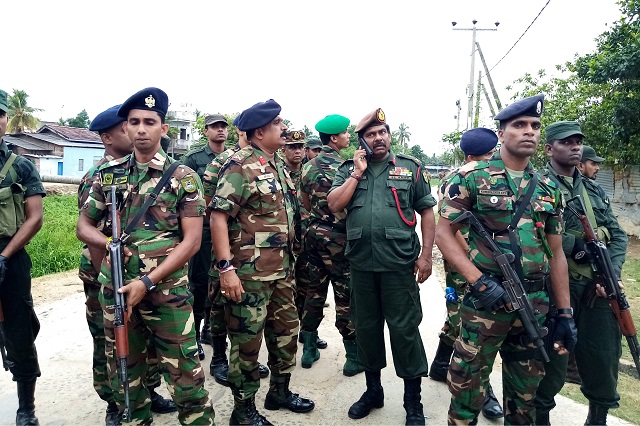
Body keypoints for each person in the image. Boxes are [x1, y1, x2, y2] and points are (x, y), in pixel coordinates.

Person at [435, 94, 578, 425]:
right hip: (486, 303)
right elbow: (444, 234)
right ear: (501, 133)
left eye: (535, 126)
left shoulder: (547, 187)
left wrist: (566, 312)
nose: (529, 131)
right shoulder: (471, 176)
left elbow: (555, 252)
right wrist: (478, 281)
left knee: (525, 398)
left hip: (535, 303)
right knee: (468, 392)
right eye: (520, 125)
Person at [76, 87, 214, 425]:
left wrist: (148, 280)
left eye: (149, 122)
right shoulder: (109, 175)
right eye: (134, 122)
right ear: (125, 128)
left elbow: (192, 242)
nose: (141, 129)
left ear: (163, 129)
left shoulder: (184, 178)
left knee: (186, 380)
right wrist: (110, 243)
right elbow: (84, 225)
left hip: (167, 294)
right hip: (119, 292)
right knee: (127, 380)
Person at [327, 108, 436, 425]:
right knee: (367, 330)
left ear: (389, 135)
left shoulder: (410, 168)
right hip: (361, 265)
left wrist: (426, 255)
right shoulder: (349, 169)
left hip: (399, 264)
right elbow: (335, 204)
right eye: (372, 134)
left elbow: (427, 212)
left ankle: (412, 403)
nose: (379, 138)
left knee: (404, 332)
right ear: (362, 141)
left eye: (383, 132)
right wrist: (356, 173)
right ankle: (373, 392)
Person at [210, 99, 314, 425]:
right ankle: (243, 412)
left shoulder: (277, 164)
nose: (283, 128)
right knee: (246, 345)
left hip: (282, 270)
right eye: (278, 124)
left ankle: (280, 391)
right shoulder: (240, 165)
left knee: (286, 335)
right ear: (260, 131)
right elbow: (218, 217)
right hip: (249, 275)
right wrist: (226, 269)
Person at [80, 105, 176, 424]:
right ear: (108, 137)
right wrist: (105, 277)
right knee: (109, 344)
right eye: (127, 126)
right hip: (105, 274)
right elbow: (92, 234)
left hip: (139, 275)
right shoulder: (99, 177)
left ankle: (145, 391)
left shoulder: (156, 172)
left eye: (146, 123)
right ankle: (114, 399)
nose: (135, 131)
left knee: (141, 341)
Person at [534, 121, 627, 425]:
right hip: (555, 284)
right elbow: (529, 231)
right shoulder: (536, 185)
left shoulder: (593, 190)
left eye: (578, 141)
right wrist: (573, 244)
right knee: (554, 356)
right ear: (549, 149)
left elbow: (617, 234)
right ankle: (542, 413)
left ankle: (597, 417)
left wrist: (609, 273)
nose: (575, 146)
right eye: (566, 142)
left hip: (597, 285)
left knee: (603, 352)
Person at [428, 128, 503, 420]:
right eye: (490, 155)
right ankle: (481, 390)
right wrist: (472, 262)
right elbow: (450, 227)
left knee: (458, 313)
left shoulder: (460, 174)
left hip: (468, 261)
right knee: (473, 322)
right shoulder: (464, 178)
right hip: (469, 262)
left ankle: (439, 364)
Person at [201, 115, 270, 387]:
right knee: (219, 306)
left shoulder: (263, 161)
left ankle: (244, 358)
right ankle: (218, 358)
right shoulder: (222, 163)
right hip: (225, 248)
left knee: (246, 313)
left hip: (252, 254)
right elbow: (208, 207)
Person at [297, 114, 363, 376]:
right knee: (345, 296)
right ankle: (352, 356)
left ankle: (308, 348)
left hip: (313, 234)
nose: (348, 137)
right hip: (339, 237)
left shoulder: (307, 166)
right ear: (334, 138)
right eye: (346, 133)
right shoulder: (346, 167)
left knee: (314, 292)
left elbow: (304, 202)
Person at [0, 88, 46, 426]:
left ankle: (25, 408)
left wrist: (4, 255)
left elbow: (35, 218)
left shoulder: (22, 166)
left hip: (10, 258)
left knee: (19, 332)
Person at [182, 113, 229, 361]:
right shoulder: (193, 158)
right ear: (207, 131)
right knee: (199, 282)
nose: (220, 130)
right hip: (203, 229)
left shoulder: (232, 157)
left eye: (223, 126)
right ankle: (195, 333)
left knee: (218, 281)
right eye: (215, 127)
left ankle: (211, 328)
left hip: (225, 230)